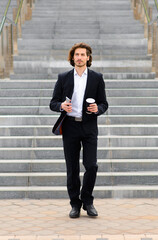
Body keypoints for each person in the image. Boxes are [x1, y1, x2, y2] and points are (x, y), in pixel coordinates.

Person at [49, 42, 108, 218]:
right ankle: (75, 204)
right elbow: (53, 102)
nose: (80, 58)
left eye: (83, 55)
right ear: (72, 57)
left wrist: (98, 108)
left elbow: (104, 103)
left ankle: (87, 201)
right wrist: (61, 106)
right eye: (77, 55)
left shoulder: (97, 78)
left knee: (91, 165)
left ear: (88, 58)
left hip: (89, 126)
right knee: (72, 168)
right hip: (70, 126)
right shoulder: (63, 77)